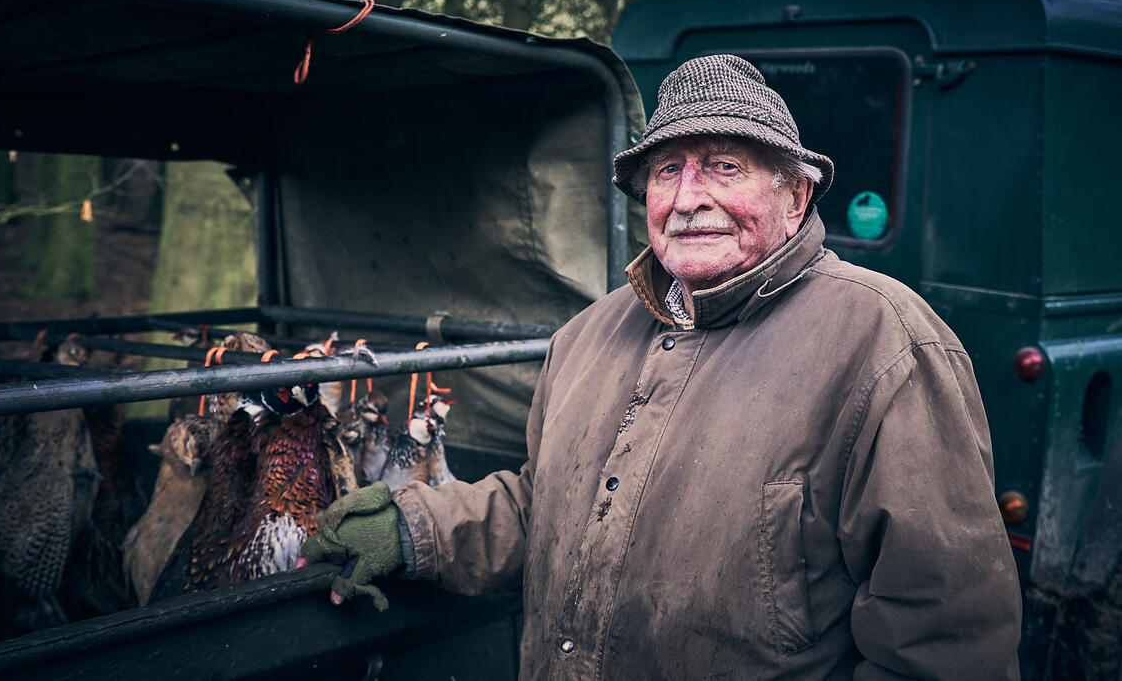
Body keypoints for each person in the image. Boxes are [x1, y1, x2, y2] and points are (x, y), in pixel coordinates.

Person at [301, 54, 1023, 679]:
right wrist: (415, 527)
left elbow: (942, 631)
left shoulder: (882, 340)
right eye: (666, 170)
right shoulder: (586, 335)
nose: (686, 199)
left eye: (724, 166)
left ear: (795, 195)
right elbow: (543, 507)